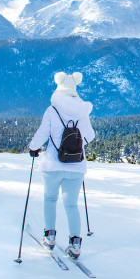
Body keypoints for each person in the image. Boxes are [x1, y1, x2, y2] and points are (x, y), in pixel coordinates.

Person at [29, 71, 95, 258]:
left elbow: (42, 134)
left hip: (52, 165)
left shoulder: (52, 110)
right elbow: (90, 137)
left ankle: (50, 237)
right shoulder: (82, 113)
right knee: (71, 205)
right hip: (76, 166)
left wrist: (33, 148)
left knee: (50, 199)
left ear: (59, 89)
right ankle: (75, 243)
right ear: (75, 90)